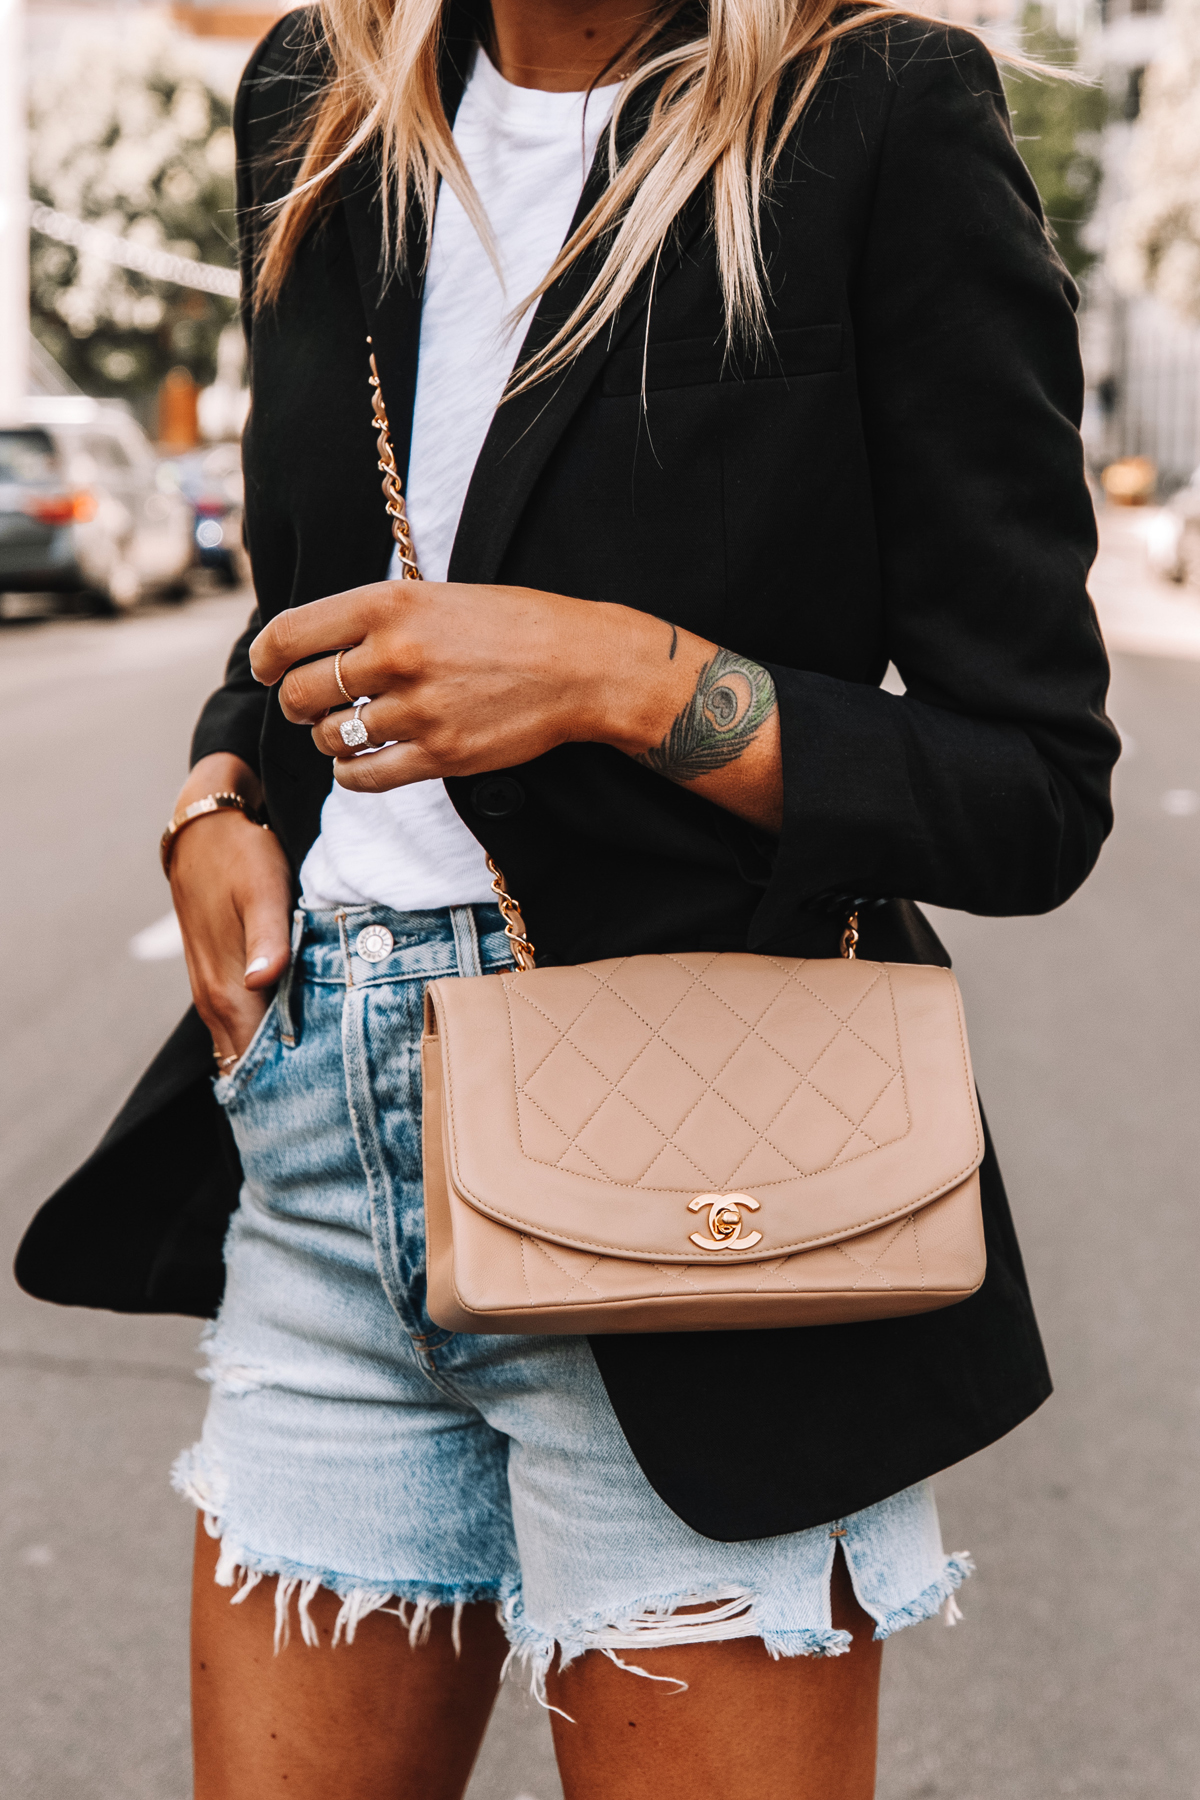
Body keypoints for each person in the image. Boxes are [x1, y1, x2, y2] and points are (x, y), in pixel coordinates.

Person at [17, 0, 1119, 1793]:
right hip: (325, 1160)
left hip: (701, 1181)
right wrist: (224, 786)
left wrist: (629, 680)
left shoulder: (879, 112)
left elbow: (1034, 788)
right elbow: (313, 588)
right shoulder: (321, 98)